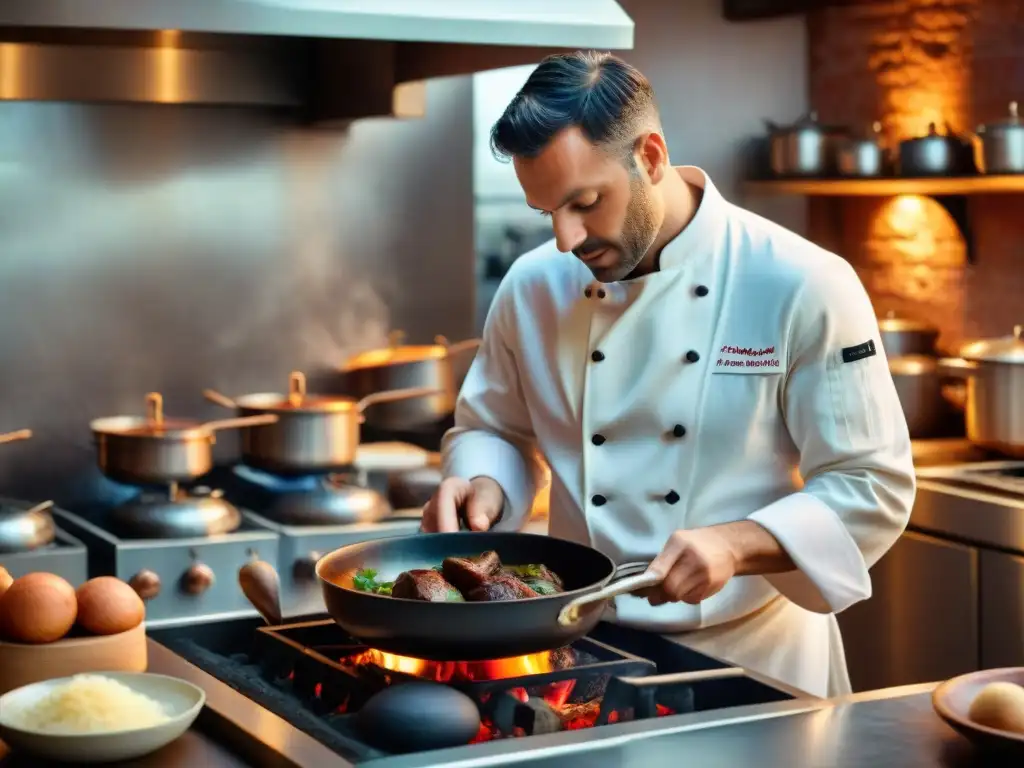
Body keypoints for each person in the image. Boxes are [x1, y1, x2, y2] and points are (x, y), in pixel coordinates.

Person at [421, 51, 915, 698]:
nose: (567, 240)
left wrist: (739, 544)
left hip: (757, 662)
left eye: (586, 202)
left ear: (650, 157)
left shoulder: (801, 282)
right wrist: (482, 482)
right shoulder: (532, 286)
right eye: (548, 214)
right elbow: (497, 428)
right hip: (586, 653)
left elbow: (870, 484)